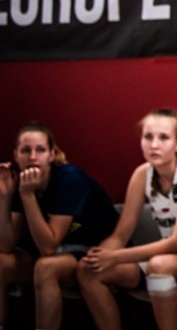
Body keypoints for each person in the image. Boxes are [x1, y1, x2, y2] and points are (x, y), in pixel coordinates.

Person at [76, 108, 177, 330]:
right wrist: (101, 255)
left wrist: (116, 256)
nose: (154, 145)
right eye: (148, 137)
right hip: (162, 257)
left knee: (159, 266)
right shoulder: (142, 174)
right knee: (87, 270)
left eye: (163, 138)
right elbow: (121, 234)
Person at [0, 121, 119, 330]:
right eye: (26, 150)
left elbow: (48, 247)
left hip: (92, 251)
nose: (33, 157)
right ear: (16, 155)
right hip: (56, 253)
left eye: (40, 150)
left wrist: (27, 196)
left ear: (51, 155)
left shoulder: (69, 179)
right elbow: (5, 245)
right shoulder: (22, 182)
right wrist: (5, 198)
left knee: (46, 267)